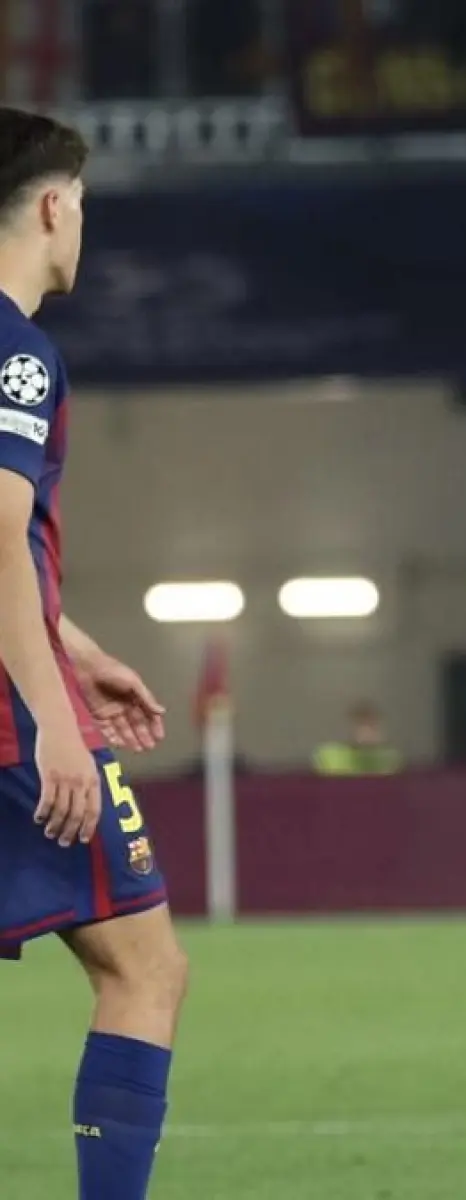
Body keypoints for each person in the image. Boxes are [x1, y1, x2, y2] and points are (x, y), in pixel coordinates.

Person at [0, 108, 186, 1198]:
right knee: (145, 969)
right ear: (55, 204)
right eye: (85, 208)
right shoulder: (16, 353)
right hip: (12, 728)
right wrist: (57, 718)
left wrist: (79, 643)